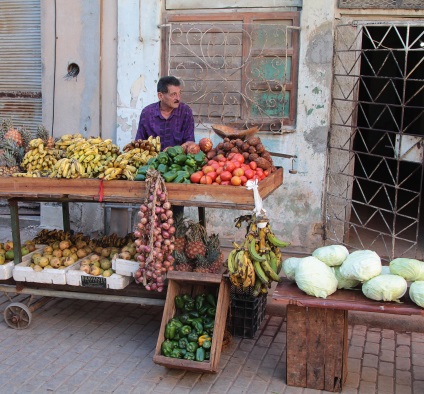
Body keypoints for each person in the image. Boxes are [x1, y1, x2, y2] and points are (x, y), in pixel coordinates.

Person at [135, 76, 195, 150]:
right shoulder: (147, 113)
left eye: (179, 93)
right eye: (173, 94)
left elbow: (190, 142)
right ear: (160, 96)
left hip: (178, 159)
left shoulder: (185, 111)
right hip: (153, 159)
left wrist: (173, 151)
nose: (178, 98)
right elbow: (139, 142)